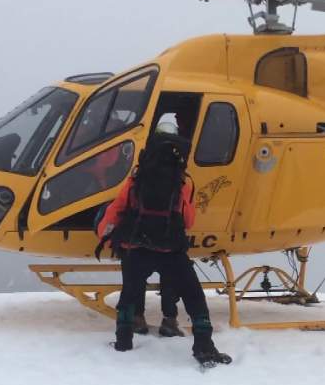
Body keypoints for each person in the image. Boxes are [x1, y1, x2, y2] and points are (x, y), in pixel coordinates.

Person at [97, 119, 230, 365]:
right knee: (194, 296)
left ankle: (124, 341)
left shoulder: (137, 177)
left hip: (136, 247)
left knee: (129, 293)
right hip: (170, 249)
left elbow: (118, 209)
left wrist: (104, 233)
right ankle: (203, 345)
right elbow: (188, 220)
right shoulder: (183, 181)